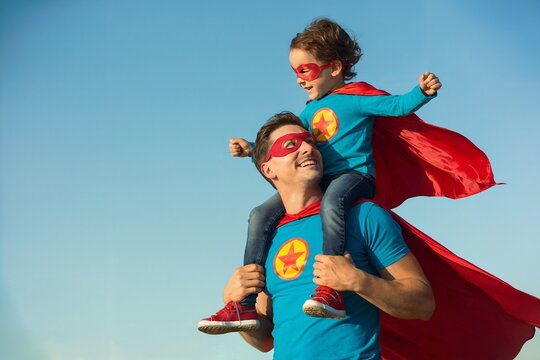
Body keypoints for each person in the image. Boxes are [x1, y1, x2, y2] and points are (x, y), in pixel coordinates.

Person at [199, 17, 441, 333]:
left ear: (334, 68)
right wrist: (249, 149)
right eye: (294, 72)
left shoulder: (356, 98)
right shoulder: (306, 112)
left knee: (333, 202)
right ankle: (242, 305)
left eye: (305, 70)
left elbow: (396, 105)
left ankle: (331, 287)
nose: (299, 79)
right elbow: (275, 155)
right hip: (327, 182)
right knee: (259, 214)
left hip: (354, 176)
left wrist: (421, 92)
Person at [200, 113, 435, 358]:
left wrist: (358, 281)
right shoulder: (266, 239)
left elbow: (423, 303)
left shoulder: (364, 216)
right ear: (268, 169)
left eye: (311, 142)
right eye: (291, 144)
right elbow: (265, 340)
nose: (307, 148)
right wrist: (234, 297)